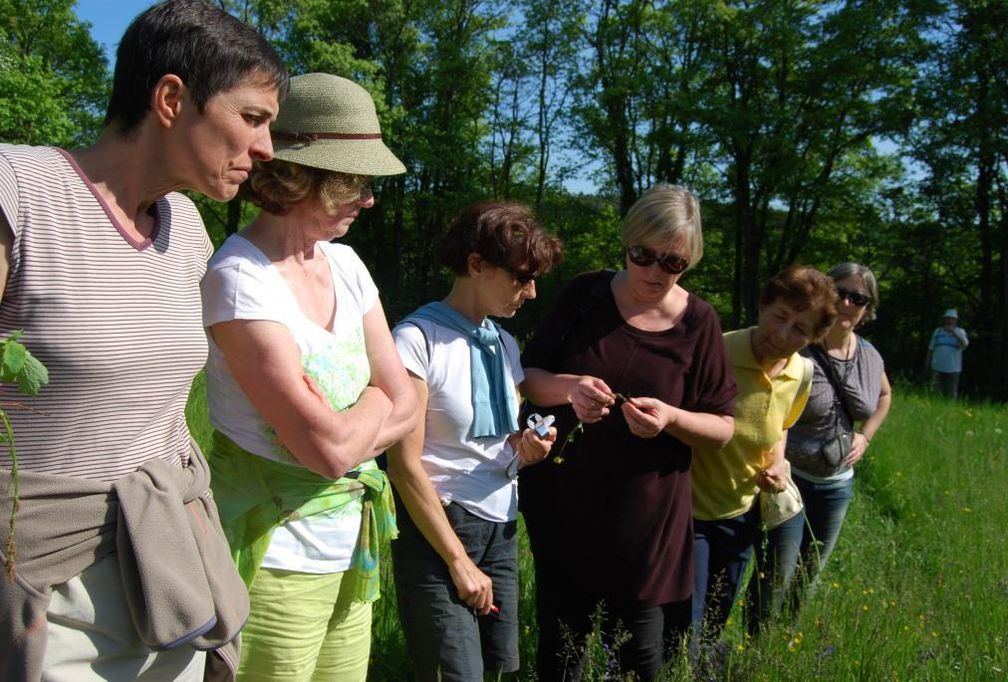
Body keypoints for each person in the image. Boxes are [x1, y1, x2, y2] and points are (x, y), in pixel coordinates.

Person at [0, 1, 287, 679]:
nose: (267, 148)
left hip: (168, 574)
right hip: (49, 594)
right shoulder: (20, 189)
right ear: (170, 98)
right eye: (252, 118)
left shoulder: (185, 226)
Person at [201, 72, 417, 681]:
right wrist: (376, 405)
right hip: (274, 557)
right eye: (355, 181)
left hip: (352, 554)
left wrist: (357, 416)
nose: (369, 199)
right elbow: (327, 451)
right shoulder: (240, 280)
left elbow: (408, 404)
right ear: (300, 178)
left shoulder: (346, 265)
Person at [518, 185, 738, 681]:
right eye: (642, 255)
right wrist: (571, 389)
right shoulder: (586, 293)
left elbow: (723, 427)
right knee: (560, 649)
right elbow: (528, 378)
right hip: (564, 506)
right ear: (627, 244)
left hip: (646, 521)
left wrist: (671, 419)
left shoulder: (699, 322)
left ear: (690, 262)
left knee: (639, 657)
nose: (654, 272)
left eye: (672, 263)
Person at [387, 201, 562, 681]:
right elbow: (403, 465)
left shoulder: (503, 344)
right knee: (454, 675)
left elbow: (495, 439)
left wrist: (525, 449)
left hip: (501, 527)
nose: (531, 292)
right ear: (476, 264)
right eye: (522, 277)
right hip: (440, 530)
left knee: (497, 670)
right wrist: (458, 561)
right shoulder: (417, 339)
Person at [690, 265, 837, 658]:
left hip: (742, 514)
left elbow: (781, 425)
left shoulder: (802, 373)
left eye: (801, 329)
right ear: (762, 306)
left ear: (815, 338)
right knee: (684, 623)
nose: (784, 334)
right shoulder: (716, 350)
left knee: (714, 623)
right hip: (690, 511)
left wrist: (780, 462)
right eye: (780, 317)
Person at [748, 262, 892, 634]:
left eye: (857, 297)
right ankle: (755, 642)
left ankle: (784, 639)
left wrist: (866, 435)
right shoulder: (800, 345)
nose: (847, 302)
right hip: (788, 479)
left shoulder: (870, 355)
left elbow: (884, 395)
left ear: (867, 308)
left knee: (809, 571)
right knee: (775, 572)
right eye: (840, 292)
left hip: (837, 483)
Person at [927, 308, 969, 398]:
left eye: (952, 319)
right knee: (935, 391)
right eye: (948, 318)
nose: (950, 321)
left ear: (956, 320)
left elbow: (965, 344)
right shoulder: (937, 331)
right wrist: (927, 362)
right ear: (944, 319)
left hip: (953, 368)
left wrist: (954, 332)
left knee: (952, 392)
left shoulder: (960, 332)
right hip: (937, 366)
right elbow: (931, 348)